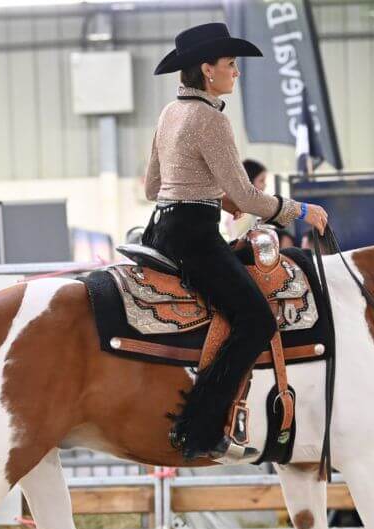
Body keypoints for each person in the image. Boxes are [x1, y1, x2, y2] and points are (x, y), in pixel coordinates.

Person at [143, 23, 328, 460]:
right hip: (195, 237)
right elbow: (248, 197)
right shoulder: (211, 118)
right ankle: (201, 428)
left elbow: (154, 187)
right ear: (207, 70)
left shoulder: (171, 113)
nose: (236, 72)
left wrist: (212, 196)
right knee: (256, 321)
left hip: (162, 228)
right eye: (230, 65)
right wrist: (300, 211)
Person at [226, 159, 268, 239]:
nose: (265, 185)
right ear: (249, 182)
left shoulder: (235, 204)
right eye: (262, 180)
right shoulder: (247, 209)